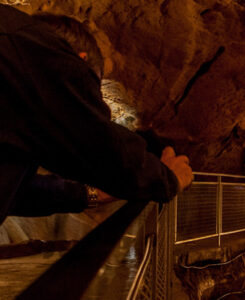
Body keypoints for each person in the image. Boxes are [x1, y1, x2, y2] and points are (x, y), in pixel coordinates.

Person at [0, 7, 193, 223]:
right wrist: (168, 179)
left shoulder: (15, 67)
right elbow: (102, 146)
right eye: (89, 90)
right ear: (79, 61)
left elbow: (19, 193)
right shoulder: (42, 56)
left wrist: (93, 196)